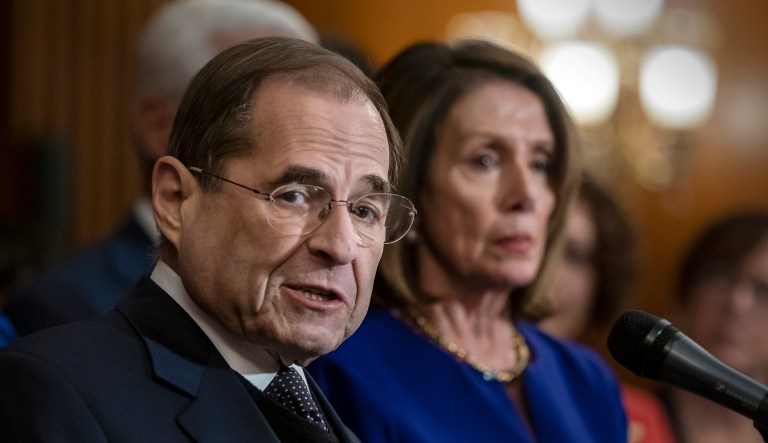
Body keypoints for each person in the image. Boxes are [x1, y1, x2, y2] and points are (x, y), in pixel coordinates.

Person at [0, 36, 416, 442]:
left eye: (364, 210)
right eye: (294, 196)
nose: (341, 245)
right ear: (175, 199)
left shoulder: (322, 409)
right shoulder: (53, 392)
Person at [308, 39, 627, 442]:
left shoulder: (587, 379)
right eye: (485, 161)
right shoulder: (342, 370)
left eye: (541, 164)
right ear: (411, 191)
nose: (525, 194)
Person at [4, 0, 318, 336]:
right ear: (159, 126)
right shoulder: (66, 307)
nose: (308, 150)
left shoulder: (327, 300)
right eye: (254, 115)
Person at [538, 174, 677, 443]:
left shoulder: (635, 417)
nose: (548, 272)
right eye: (540, 245)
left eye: (573, 255)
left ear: (603, 282)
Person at [660, 211, 768, 443]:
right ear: (687, 293)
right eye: (722, 276)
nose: (737, 303)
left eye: (764, 291)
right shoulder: (632, 418)